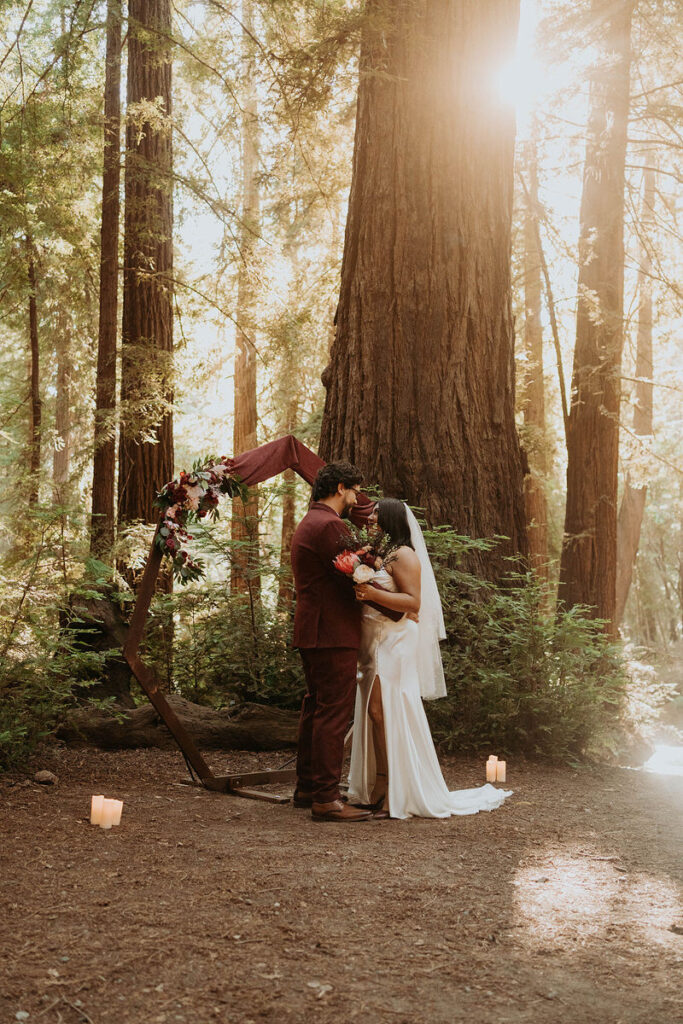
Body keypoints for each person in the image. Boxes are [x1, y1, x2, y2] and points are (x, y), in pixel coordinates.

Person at [347, 498, 513, 819]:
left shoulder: (405, 554)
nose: (370, 520)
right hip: (375, 640)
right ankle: (381, 783)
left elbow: (413, 602)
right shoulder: (384, 554)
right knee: (375, 713)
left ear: (390, 519)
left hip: (394, 642)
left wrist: (371, 593)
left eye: (376, 516)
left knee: (384, 711)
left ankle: (394, 788)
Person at [290, 463, 373, 822]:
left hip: (314, 628)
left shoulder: (310, 521)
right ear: (341, 488)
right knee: (333, 712)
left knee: (316, 707)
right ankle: (325, 797)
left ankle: (308, 786)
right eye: (355, 490)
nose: (356, 499)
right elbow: (353, 572)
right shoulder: (330, 525)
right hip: (332, 630)